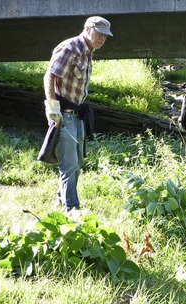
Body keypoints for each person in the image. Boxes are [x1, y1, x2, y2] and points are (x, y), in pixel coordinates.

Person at [43, 16, 113, 211]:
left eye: (106, 36)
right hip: (63, 113)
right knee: (70, 163)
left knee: (79, 161)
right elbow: (49, 75)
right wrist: (52, 107)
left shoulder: (88, 51)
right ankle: (72, 209)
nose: (102, 39)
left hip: (78, 114)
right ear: (87, 28)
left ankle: (61, 198)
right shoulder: (70, 48)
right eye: (99, 33)